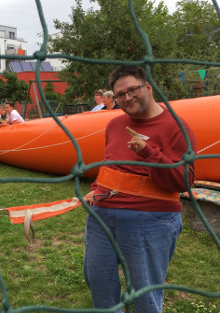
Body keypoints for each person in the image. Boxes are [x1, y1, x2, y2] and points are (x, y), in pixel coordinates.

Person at [83, 66, 197, 313]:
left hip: (151, 220)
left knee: (146, 296)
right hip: (101, 217)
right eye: (120, 94)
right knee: (100, 288)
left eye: (132, 90)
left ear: (148, 87)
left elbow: (185, 181)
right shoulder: (114, 125)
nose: (127, 98)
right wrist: (96, 188)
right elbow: (109, 165)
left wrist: (147, 153)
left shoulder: (177, 127)